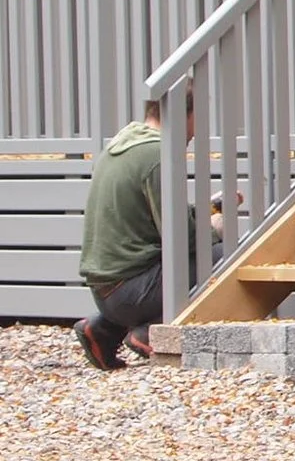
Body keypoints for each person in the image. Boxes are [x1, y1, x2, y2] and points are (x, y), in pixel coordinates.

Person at [74, 94, 212, 369]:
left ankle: (104, 329)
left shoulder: (123, 144)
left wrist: (207, 209)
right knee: (223, 257)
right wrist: (215, 230)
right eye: (199, 117)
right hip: (132, 292)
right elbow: (183, 238)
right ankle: (152, 331)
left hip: (108, 290)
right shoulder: (157, 155)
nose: (197, 131)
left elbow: (147, 223)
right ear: (182, 113)